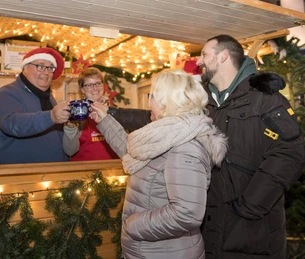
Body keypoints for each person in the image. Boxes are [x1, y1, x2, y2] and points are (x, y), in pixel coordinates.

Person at [98, 35, 305, 259]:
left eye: (205, 54)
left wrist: (251, 204)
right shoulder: (205, 99)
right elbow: (162, 122)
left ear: (223, 56)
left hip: (252, 232)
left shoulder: (264, 99)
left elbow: (292, 151)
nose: (199, 61)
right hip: (211, 225)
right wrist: (112, 114)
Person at [90, 69, 228, 259]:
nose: (149, 101)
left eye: (152, 95)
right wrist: (104, 121)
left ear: (165, 102)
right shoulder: (169, 134)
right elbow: (136, 155)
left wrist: (133, 226)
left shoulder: (185, 146)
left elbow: (187, 214)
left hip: (165, 251)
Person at [0, 47, 70, 164]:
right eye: (40, 66)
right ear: (25, 69)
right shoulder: (7, 93)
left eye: (50, 68)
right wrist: (51, 117)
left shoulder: (49, 98)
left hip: (52, 172)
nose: (46, 72)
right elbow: (12, 124)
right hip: (20, 174)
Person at [62, 67, 119, 161]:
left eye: (98, 83)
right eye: (89, 85)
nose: (95, 88)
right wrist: (70, 128)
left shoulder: (114, 112)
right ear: (82, 89)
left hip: (112, 171)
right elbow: (70, 151)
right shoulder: (76, 114)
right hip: (84, 172)